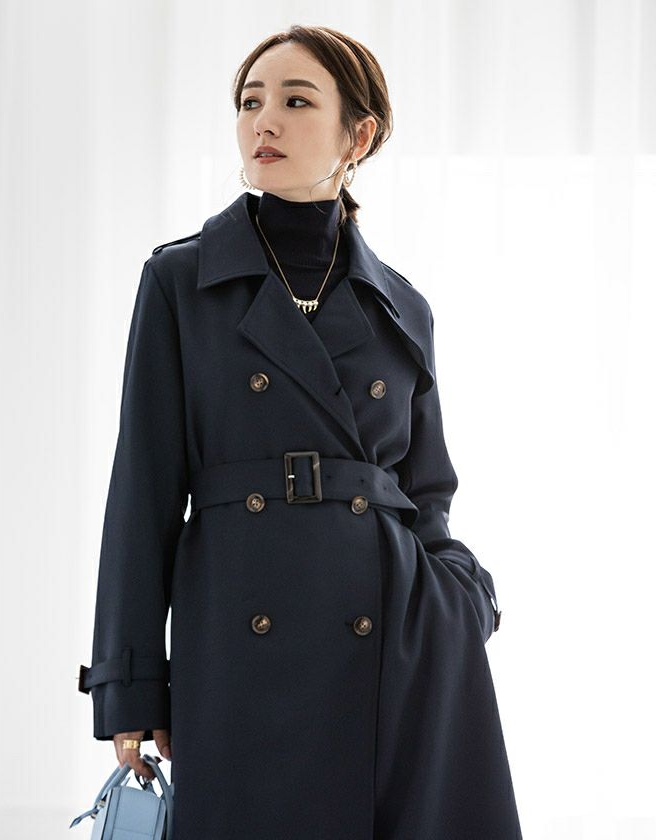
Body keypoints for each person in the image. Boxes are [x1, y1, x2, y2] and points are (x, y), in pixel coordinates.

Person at [78, 24, 522, 838]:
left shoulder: (402, 307)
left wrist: (467, 599)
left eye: (295, 101)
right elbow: (142, 493)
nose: (264, 122)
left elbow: (427, 493)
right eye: (249, 103)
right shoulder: (181, 280)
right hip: (239, 643)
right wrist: (130, 685)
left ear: (359, 135)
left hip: (400, 644)